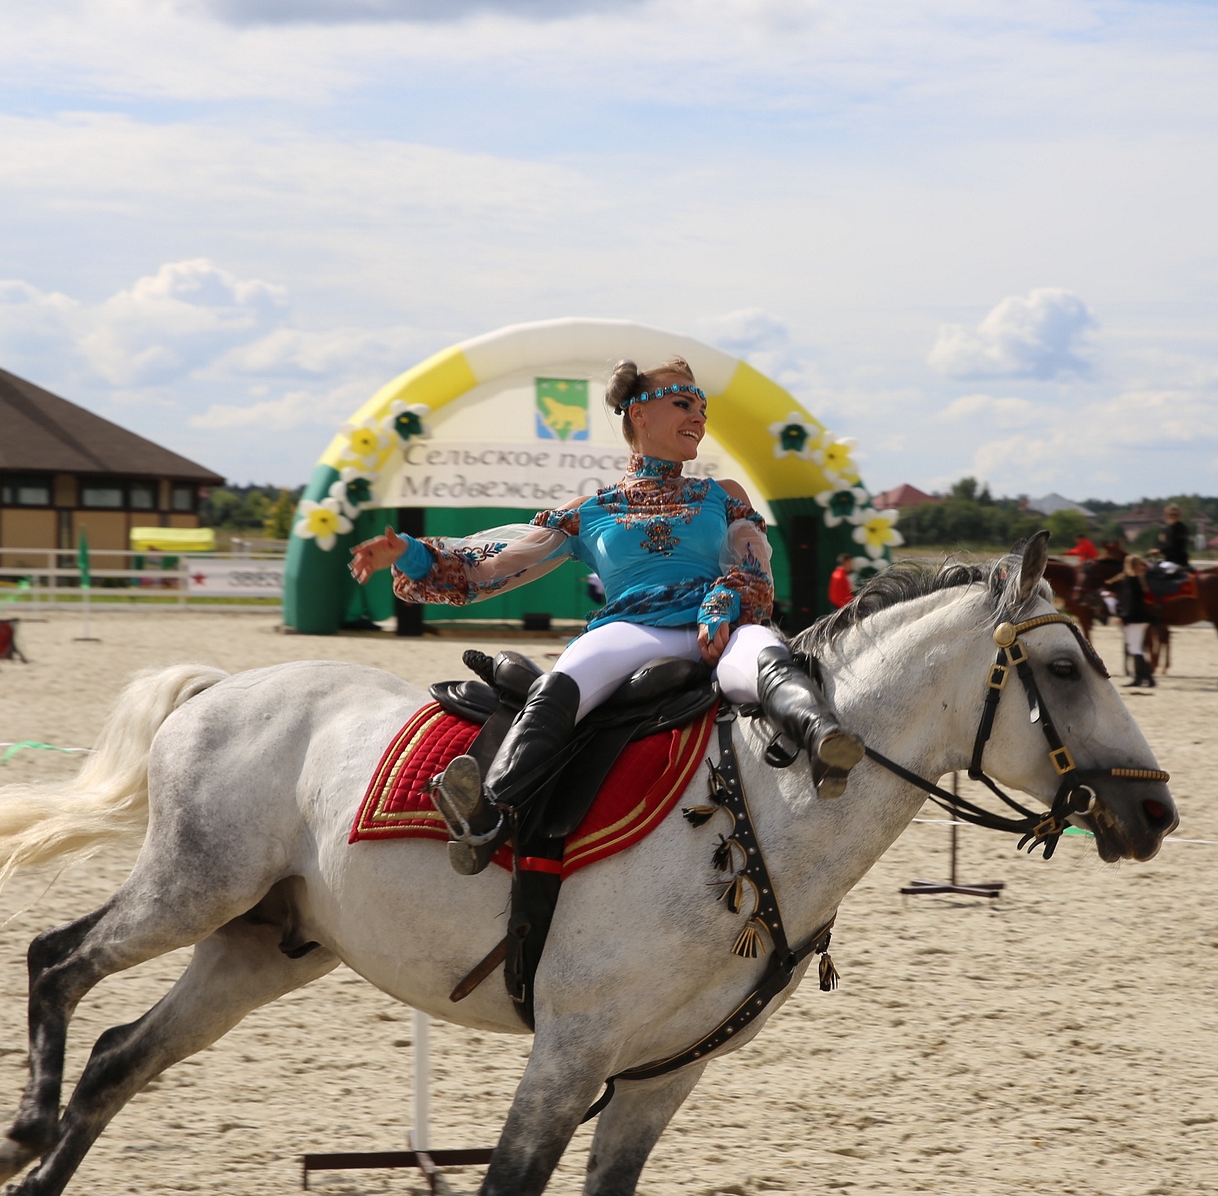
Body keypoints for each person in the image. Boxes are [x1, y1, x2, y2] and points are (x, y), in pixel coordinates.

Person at [349, 357, 864, 864]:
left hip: (723, 627)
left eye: (703, 409)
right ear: (638, 415)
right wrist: (412, 555)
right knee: (565, 681)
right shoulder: (588, 512)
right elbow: (493, 566)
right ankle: (491, 808)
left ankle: (824, 740)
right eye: (683, 403)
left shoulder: (723, 495)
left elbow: (755, 562)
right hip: (631, 633)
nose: (699, 419)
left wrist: (725, 597)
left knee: (768, 652)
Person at [1107, 554, 1154, 687]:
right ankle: (1147, 678)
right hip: (1140, 618)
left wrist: (1123, 617)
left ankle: (1142, 678)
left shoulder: (1130, 581)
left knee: (1135, 649)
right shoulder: (1139, 580)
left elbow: (1130, 603)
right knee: (1136, 648)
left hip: (1134, 619)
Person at [1156, 505, 1191, 570]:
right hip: (1183, 561)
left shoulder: (1171, 528)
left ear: (1167, 515)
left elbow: (1171, 546)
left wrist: (1159, 550)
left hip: (1173, 561)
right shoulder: (1183, 527)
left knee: (1154, 571)